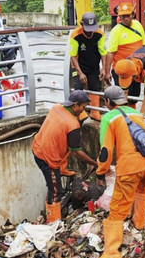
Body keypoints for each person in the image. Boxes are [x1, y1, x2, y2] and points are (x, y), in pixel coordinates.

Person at [91, 86, 145, 258]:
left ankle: (111, 251)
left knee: (117, 210)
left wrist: (100, 172)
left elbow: (105, 151)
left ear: (107, 102)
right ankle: (139, 224)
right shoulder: (137, 114)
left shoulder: (108, 118)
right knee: (141, 190)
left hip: (129, 168)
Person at [31, 90, 99, 222]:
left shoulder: (56, 107)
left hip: (37, 147)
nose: (83, 111)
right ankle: (53, 223)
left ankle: (61, 170)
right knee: (56, 193)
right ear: (75, 105)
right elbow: (75, 151)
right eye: (83, 107)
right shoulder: (72, 124)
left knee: (62, 146)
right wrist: (94, 163)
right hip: (47, 159)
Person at [106, 3, 145, 106]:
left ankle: (132, 118)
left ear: (133, 14)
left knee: (134, 97)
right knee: (121, 98)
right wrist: (107, 72)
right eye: (123, 16)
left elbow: (144, 46)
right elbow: (110, 53)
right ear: (119, 17)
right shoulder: (116, 31)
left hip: (135, 69)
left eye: (128, 15)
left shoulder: (138, 25)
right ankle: (121, 119)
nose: (126, 18)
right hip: (121, 71)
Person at [69, 12, 108, 121]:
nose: (90, 31)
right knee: (78, 88)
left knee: (95, 87)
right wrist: (80, 73)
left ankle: (95, 112)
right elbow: (73, 56)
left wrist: (104, 69)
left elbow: (103, 52)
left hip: (93, 66)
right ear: (82, 24)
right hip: (78, 66)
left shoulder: (99, 33)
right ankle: (79, 113)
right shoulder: (75, 35)